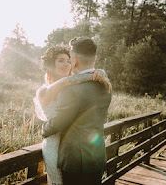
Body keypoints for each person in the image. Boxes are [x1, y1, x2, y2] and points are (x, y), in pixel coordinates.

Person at [34, 43, 111, 185]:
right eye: (61, 61)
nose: (66, 64)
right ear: (51, 65)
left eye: (68, 61)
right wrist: (97, 74)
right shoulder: (45, 90)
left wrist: (98, 73)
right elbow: (66, 84)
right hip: (55, 142)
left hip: (74, 155)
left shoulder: (75, 87)